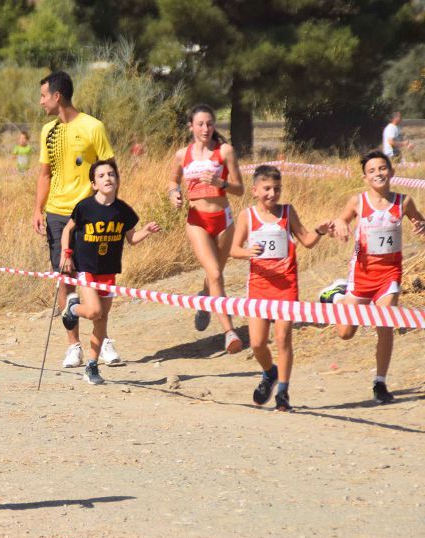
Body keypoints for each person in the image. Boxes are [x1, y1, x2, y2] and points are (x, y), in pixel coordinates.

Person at [318, 151, 425, 404]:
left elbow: (420, 222)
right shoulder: (358, 202)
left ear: (392, 172)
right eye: (372, 171)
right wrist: (340, 226)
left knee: (385, 323)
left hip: (389, 275)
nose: (378, 173)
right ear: (365, 178)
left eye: (382, 168)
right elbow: (341, 221)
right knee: (345, 333)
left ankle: (380, 382)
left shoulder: (404, 201)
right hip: (361, 276)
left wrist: (422, 226)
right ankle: (336, 296)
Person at [31, 71, 118, 369]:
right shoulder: (48, 131)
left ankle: (101, 341)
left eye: (43, 95)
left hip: (89, 215)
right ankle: (74, 346)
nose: (41, 102)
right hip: (56, 214)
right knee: (65, 279)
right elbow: (44, 174)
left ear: (57, 96)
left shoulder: (93, 127)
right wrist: (37, 210)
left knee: (97, 278)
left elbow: (110, 172)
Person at [230, 165, 332, 411]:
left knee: (283, 338)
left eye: (277, 189)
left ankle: (283, 393)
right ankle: (269, 373)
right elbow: (233, 250)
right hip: (259, 286)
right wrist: (247, 253)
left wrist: (319, 231)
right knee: (256, 343)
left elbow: (306, 240)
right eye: (267, 189)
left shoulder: (287, 212)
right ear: (255, 190)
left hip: (286, 285)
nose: (272, 194)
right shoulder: (247, 216)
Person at [58, 159, 161, 385]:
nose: (108, 178)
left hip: (109, 272)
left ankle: (92, 366)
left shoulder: (123, 210)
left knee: (101, 321)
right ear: (94, 183)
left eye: (111, 174)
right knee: (94, 311)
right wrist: (66, 254)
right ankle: (73, 308)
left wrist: (146, 231)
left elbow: (132, 239)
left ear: (117, 180)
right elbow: (68, 229)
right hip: (86, 269)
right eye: (102, 175)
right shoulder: (85, 207)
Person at [169, 104, 245, 353]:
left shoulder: (225, 151)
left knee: (215, 274)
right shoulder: (183, 154)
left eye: (210, 124)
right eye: (200, 124)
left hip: (223, 220)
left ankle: (204, 298)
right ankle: (229, 332)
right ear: (191, 126)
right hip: (197, 221)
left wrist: (220, 182)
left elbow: (240, 189)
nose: (205, 129)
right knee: (214, 272)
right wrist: (174, 193)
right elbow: (172, 180)